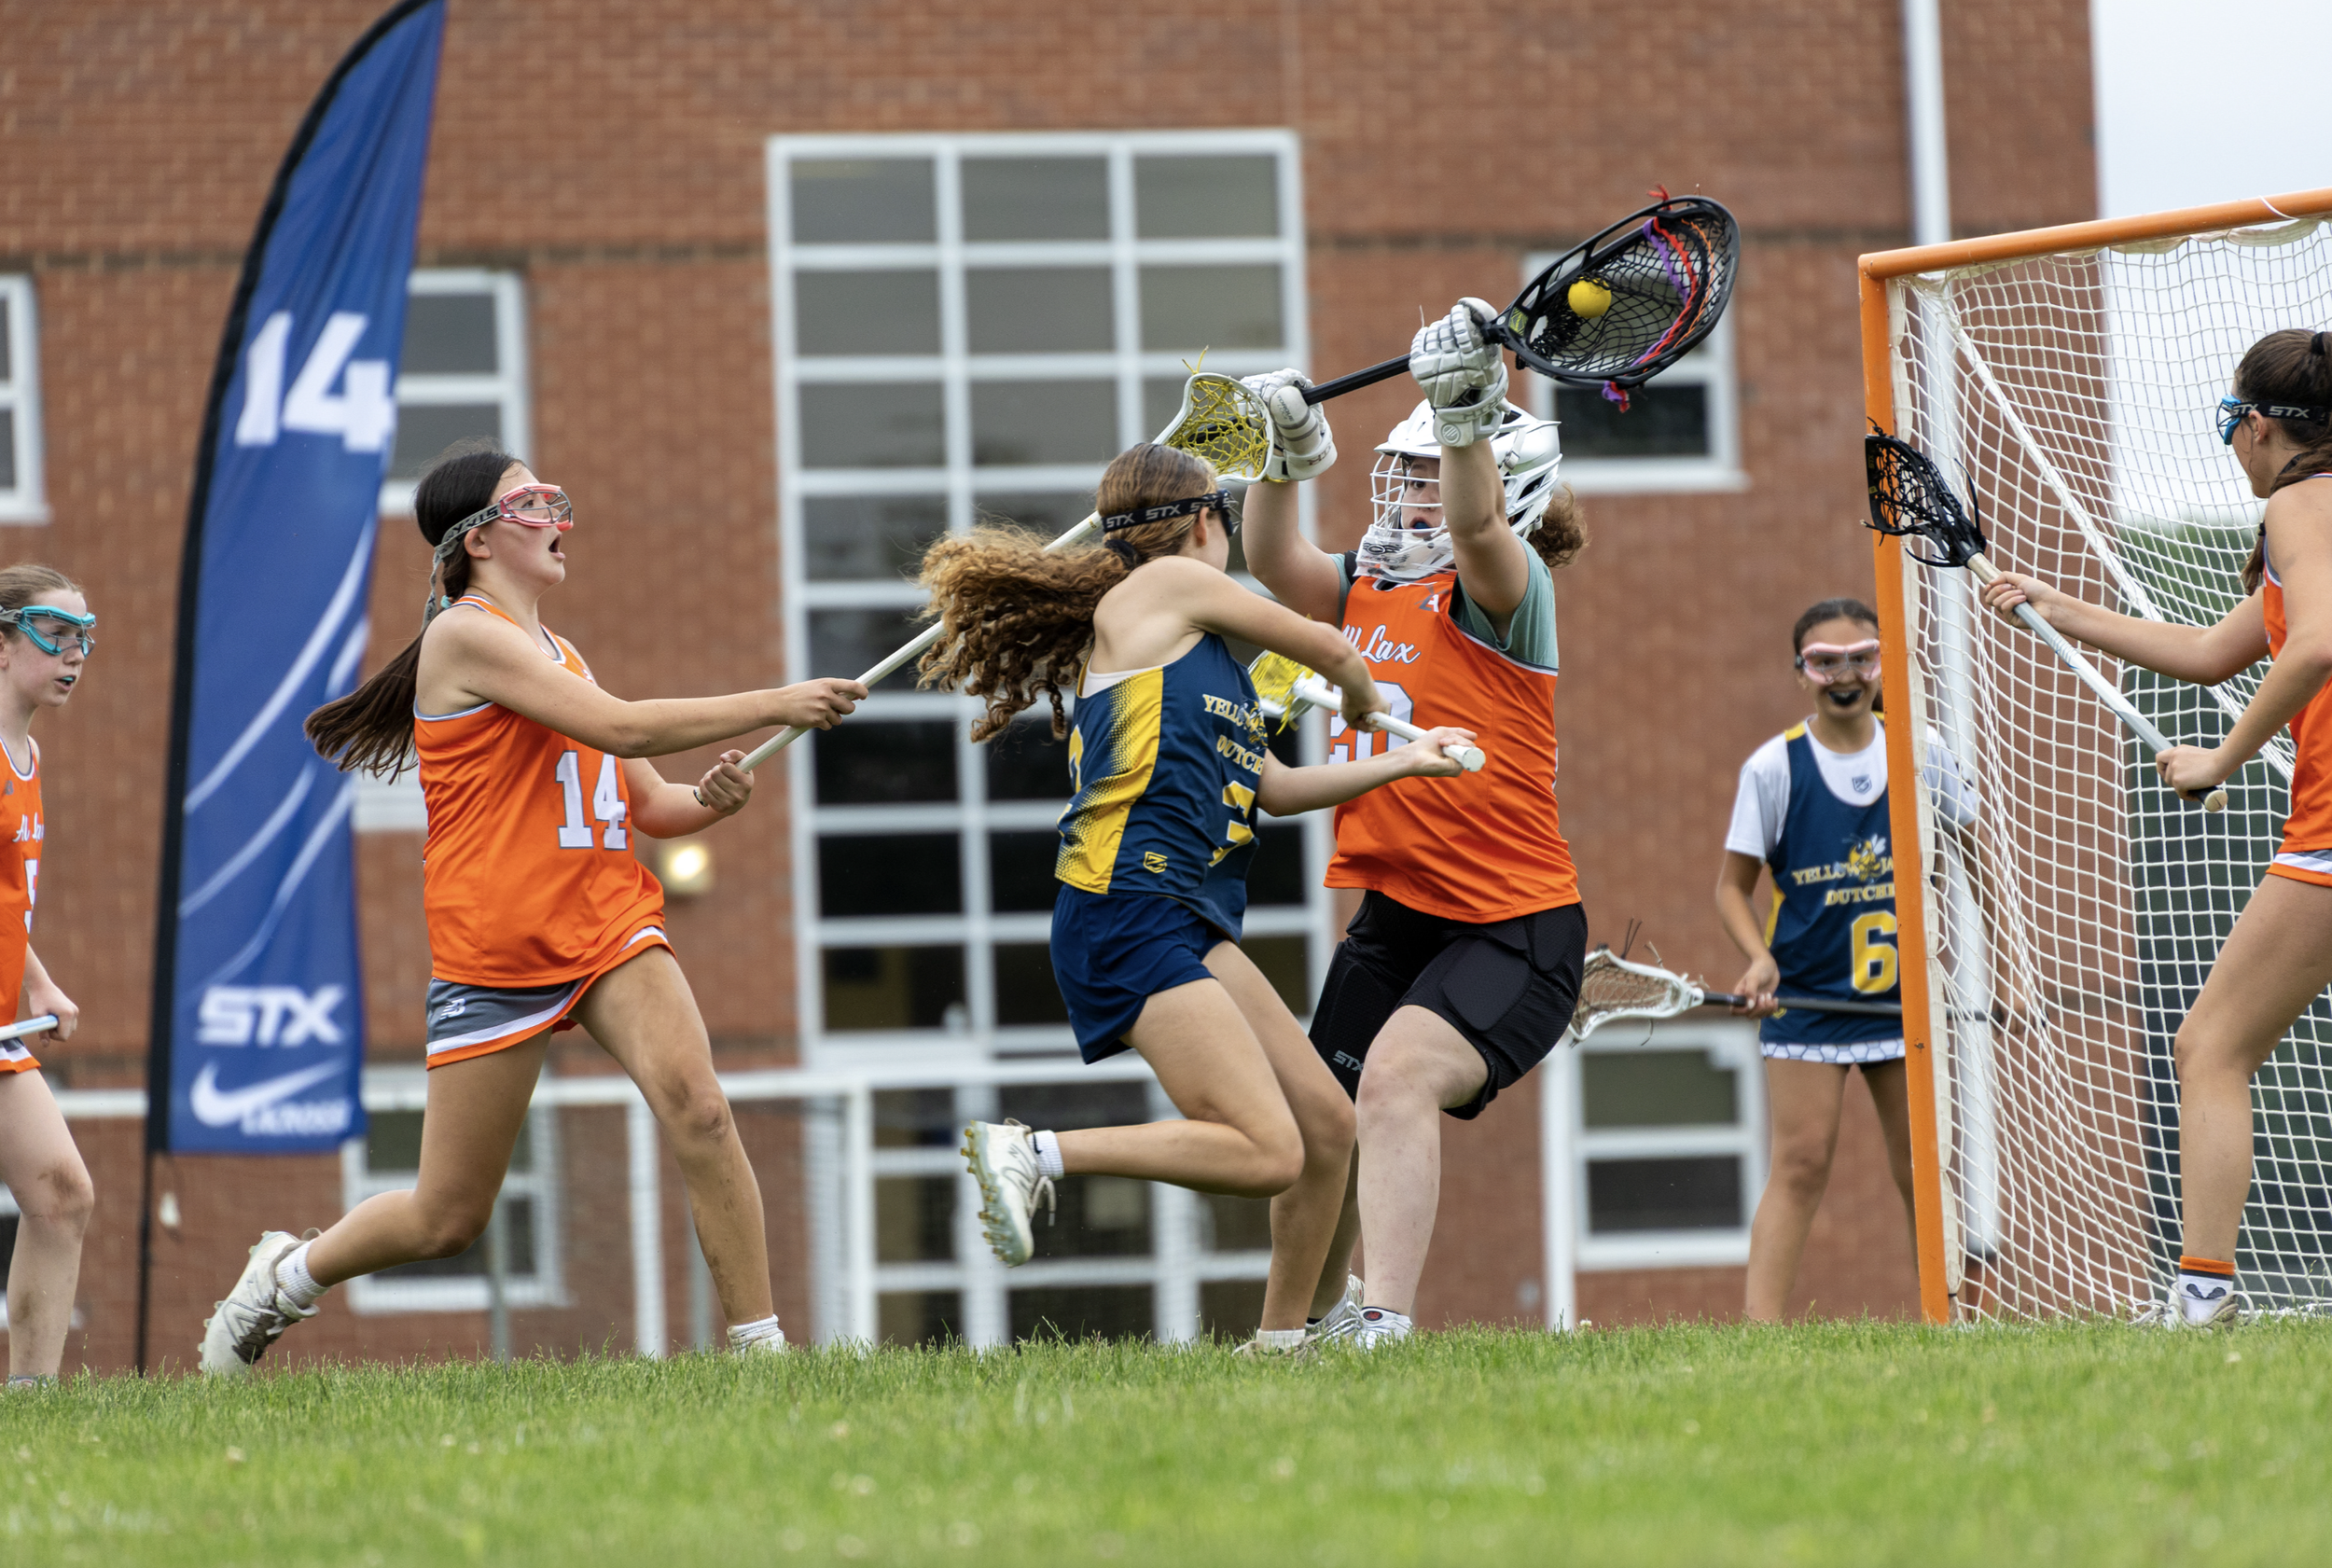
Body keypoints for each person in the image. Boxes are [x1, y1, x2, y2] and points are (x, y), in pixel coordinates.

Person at [198, 443, 866, 1374]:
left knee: (701, 1108)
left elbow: (653, 805)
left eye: (553, 496)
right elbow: (624, 726)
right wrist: (773, 697)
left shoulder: (565, 653)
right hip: (497, 948)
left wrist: (715, 795)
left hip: (607, 925)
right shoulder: (462, 637)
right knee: (447, 1217)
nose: (556, 514)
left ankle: (763, 1355)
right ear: (476, 539)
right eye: (531, 501)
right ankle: (288, 1273)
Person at [934, 441, 1478, 1353]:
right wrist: (1353, 694)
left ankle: (1280, 1348)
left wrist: (1403, 758)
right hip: (1125, 904)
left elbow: (1274, 788)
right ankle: (1033, 1151)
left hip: (1187, 914)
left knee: (1326, 1125)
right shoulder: (1158, 590)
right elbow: (1331, 643)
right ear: (1203, 522)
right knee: (1268, 1150)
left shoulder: (1203, 652)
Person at [1238, 298, 1588, 1348]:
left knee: (1394, 1079)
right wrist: (1282, 452)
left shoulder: (1504, 592)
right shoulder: (1365, 589)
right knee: (1318, 1123)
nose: (1415, 497)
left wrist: (1464, 409)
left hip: (1511, 925)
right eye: (1408, 476)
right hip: (1396, 917)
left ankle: (1385, 1321)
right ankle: (1305, 1326)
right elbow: (1271, 563)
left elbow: (1480, 526)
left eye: (1433, 476)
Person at [1978, 326, 2332, 1327]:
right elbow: (2217, 651)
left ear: (2257, 425)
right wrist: (2059, 607)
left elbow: (2315, 646)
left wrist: (2220, 760)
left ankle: (2202, 1291)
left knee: (2210, 1046)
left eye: (2232, 422)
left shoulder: (2300, 507)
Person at [1715, 597, 1978, 1321]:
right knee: (1799, 1165)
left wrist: (2003, 968)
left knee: (1922, 1171)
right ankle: (1760, 1338)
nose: (1845, 674)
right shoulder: (1774, 767)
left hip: (1903, 1003)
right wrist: (1758, 957)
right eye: (1825, 661)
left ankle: (1946, 1320)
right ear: (1801, 673)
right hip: (1807, 1001)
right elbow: (1732, 889)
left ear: (1882, 663)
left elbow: (1974, 855)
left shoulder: (1920, 748)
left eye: (1861, 657)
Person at [0, 567, 94, 1387]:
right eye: (52, 633)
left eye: (82, 636)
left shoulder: (25, 756)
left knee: (61, 1196)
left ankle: (30, 1408)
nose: (74, 652)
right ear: (0, 643)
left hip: (2, 1032)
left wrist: (38, 982)